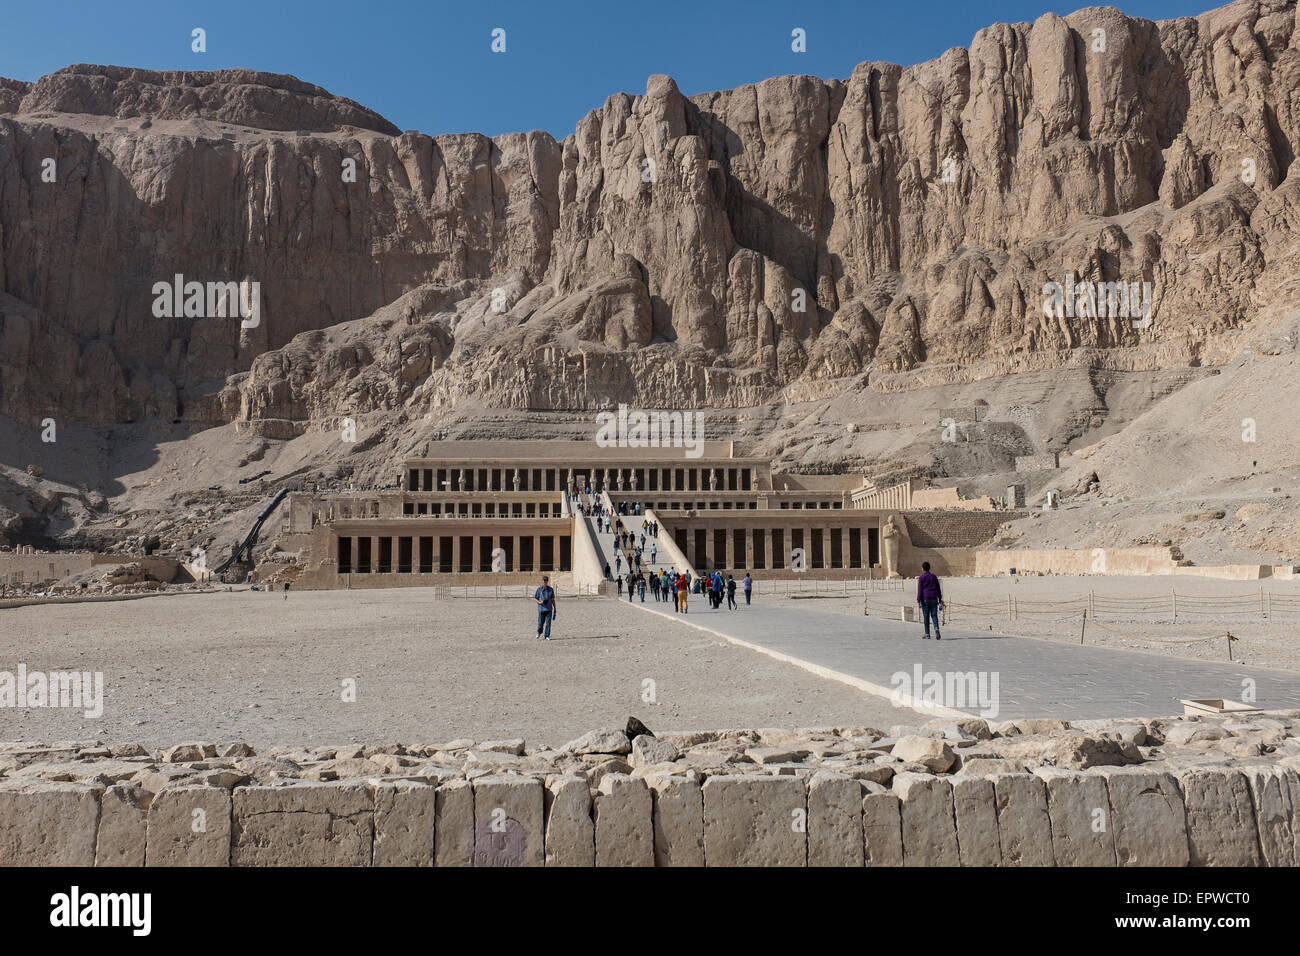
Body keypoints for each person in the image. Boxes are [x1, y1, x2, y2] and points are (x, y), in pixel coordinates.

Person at [916, 561, 943, 640]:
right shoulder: (934, 577)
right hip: (934, 598)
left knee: (926, 616)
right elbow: (938, 588)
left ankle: (927, 634)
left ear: (922, 568)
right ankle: (936, 629)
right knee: (934, 615)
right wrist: (940, 598)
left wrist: (918, 600)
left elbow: (920, 590)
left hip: (925, 599)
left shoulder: (921, 578)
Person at [534, 575, 557, 640]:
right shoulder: (539, 590)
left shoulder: (551, 590)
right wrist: (540, 602)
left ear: (547, 581)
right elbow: (535, 598)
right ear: (542, 581)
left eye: (546, 581)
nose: (545, 582)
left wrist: (555, 609)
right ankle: (539, 632)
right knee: (540, 623)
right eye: (544, 580)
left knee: (548, 624)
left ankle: (547, 635)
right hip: (541, 609)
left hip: (549, 609)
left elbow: (553, 600)